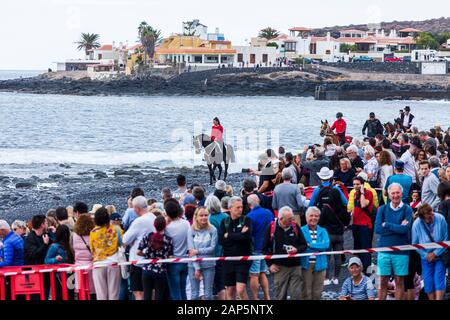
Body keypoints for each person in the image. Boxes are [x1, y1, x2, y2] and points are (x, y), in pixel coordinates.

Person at [375, 183, 413, 300]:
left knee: (399, 282)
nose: (395, 195)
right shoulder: (382, 209)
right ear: (389, 194)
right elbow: (377, 229)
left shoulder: (407, 209)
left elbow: (404, 229)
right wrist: (397, 227)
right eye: (393, 193)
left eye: (397, 193)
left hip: (401, 252)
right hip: (384, 251)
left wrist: (387, 224)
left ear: (402, 194)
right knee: (382, 282)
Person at [263, 206, 307, 300]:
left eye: (292, 218)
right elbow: (264, 249)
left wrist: (296, 250)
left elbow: (304, 245)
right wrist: (270, 264)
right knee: (280, 296)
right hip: (280, 268)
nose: (291, 221)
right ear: (281, 218)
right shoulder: (271, 228)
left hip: (296, 266)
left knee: (297, 296)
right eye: (289, 219)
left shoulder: (295, 226)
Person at [123, 196, 156, 300]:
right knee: (152, 291)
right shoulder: (153, 217)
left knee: (138, 293)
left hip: (138, 262)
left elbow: (125, 240)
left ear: (137, 208)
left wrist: (132, 241)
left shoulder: (139, 221)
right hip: (152, 260)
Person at [218, 197, 253, 300]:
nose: (240, 209)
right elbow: (221, 241)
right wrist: (238, 235)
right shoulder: (224, 222)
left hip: (243, 259)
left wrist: (228, 235)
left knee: (241, 289)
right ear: (230, 208)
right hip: (228, 259)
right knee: (230, 289)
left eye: (241, 207)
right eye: (237, 207)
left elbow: (246, 237)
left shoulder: (246, 220)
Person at [411, 203, 448, 300]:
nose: (432, 216)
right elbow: (415, 244)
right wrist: (426, 255)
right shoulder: (416, 224)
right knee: (428, 282)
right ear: (422, 218)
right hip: (425, 257)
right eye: (429, 216)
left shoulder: (440, 218)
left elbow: (446, 238)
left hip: (440, 254)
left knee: (439, 279)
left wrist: (435, 253)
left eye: (432, 214)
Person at [90, 207, 123, 300]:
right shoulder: (116, 229)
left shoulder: (93, 232)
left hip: (98, 265)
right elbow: (122, 244)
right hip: (113, 263)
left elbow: (92, 249)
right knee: (114, 295)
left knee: (101, 296)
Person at [137, 215, 173, 300]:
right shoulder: (168, 239)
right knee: (159, 296)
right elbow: (169, 256)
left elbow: (138, 252)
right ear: (165, 226)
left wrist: (146, 255)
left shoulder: (148, 236)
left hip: (147, 269)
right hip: (160, 270)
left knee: (147, 296)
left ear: (154, 225)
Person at [247, 194, 274, 300]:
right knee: (262, 272)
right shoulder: (268, 212)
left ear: (249, 204)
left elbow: (249, 234)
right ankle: (267, 296)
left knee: (254, 274)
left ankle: (255, 297)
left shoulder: (250, 216)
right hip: (266, 248)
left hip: (255, 248)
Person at [187, 207, 218, 300]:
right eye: (201, 215)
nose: (204, 217)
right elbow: (191, 250)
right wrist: (197, 268)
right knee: (194, 294)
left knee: (208, 294)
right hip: (193, 265)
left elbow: (212, 248)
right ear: (196, 217)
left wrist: (198, 251)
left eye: (206, 215)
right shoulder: (191, 230)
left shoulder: (213, 230)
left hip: (209, 265)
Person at [300, 207, 330, 300]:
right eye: (311, 215)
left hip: (320, 265)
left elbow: (326, 245)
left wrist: (310, 245)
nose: (314, 218)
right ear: (306, 217)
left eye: (316, 216)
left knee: (317, 292)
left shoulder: (323, 230)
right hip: (306, 265)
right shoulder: (301, 230)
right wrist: (317, 246)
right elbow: (302, 246)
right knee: (305, 292)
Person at [164, 198, 190, 300]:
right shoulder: (186, 223)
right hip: (185, 260)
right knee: (183, 291)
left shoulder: (167, 228)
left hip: (173, 261)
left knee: (175, 293)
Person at [350, 177, 375, 274]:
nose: (355, 186)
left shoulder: (368, 193)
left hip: (365, 225)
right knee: (358, 249)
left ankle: (367, 272)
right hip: (356, 224)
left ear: (362, 184)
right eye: (354, 184)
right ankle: (360, 271)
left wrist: (362, 193)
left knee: (366, 249)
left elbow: (363, 205)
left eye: (357, 184)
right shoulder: (355, 194)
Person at [206, 195, 228, 300]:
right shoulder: (225, 216)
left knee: (218, 282)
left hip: (216, 253)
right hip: (227, 251)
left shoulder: (210, 219)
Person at [72, 214, 96, 298]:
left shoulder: (75, 235)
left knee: (81, 292)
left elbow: (72, 249)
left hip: (79, 267)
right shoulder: (93, 233)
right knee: (92, 292)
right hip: (92, 266)